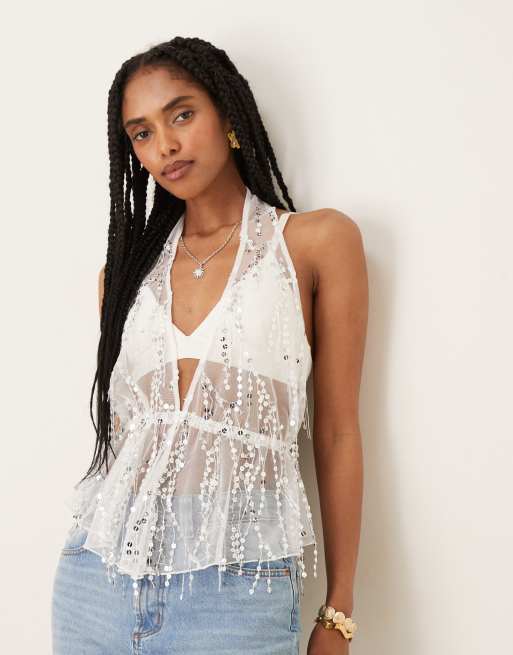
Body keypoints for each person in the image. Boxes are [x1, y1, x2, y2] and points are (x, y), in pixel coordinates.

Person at [51, 36, 368, 655]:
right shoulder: (122, 279)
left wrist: (338, 613)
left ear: (227, 113)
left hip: (236, 590)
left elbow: (336, 434)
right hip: (97, 580)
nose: (164, 146)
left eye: (181, 114)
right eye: (142, 133)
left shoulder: (314, 243)